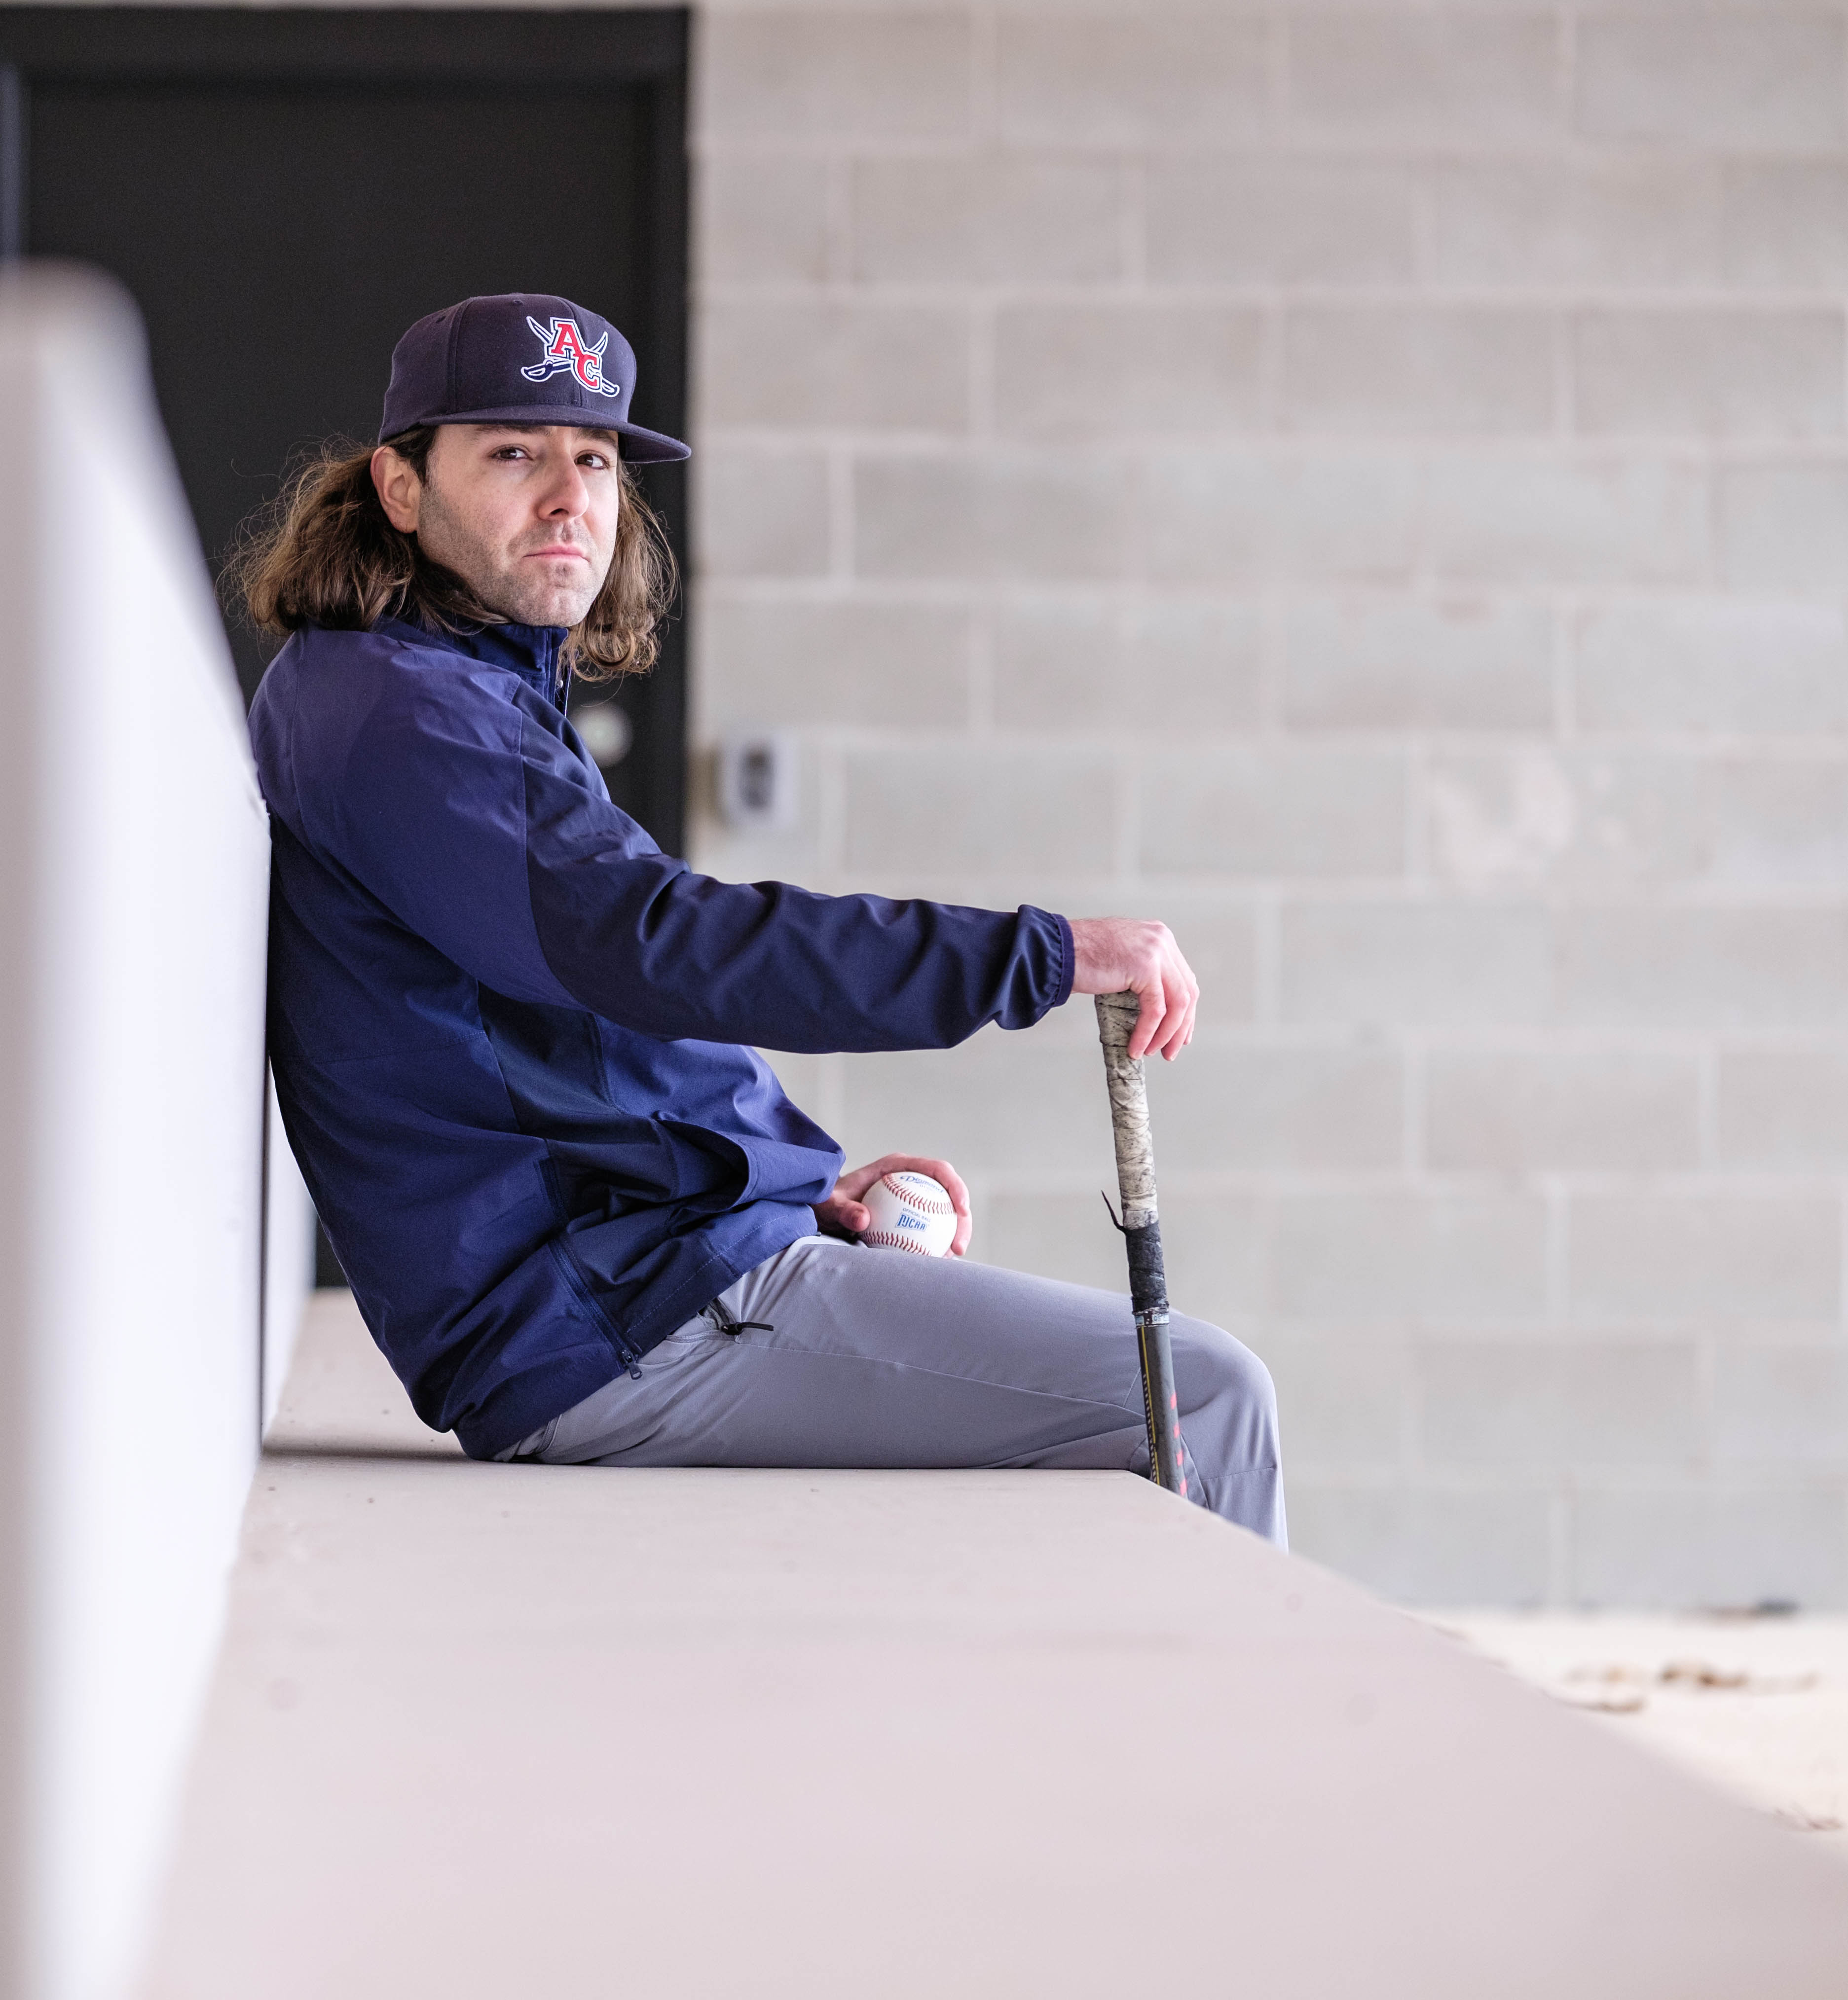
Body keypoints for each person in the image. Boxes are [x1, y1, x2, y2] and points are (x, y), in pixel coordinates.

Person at [239, 293, 1282, 1543]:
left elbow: (565, 1028)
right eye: (512, 454)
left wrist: (799, 1187)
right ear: (400, 488)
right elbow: (655, 944)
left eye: (595, 460)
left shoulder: (429, 684)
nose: (569, 497)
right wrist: (1042, 956)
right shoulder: (409, 717)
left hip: (623, 1284)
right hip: (612, 1324)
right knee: (1207, 1402)